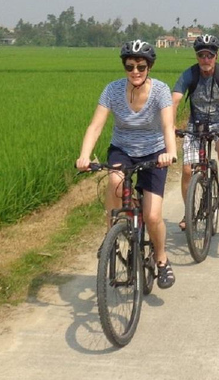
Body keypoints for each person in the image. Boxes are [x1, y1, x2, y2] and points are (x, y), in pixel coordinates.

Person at [76, 40, 177, 289]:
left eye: (141, 67)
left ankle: (162, 259)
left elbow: (167, 125)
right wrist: (84, 155)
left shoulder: (161, 90)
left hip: (154, 152)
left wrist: (171, 152)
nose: (135, 72)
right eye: (130, 66)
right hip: (122, 149)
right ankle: (111, 235)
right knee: (115, 182)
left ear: (149, 67)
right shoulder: (112, 90)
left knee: (153, 217)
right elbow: (96, 125)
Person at [172, 34, 219, 229]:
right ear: (197, 57)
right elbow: (175, 100)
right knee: (187, 170)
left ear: (216, 56)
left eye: (209, 56)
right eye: (201, 55)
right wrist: (169, 125)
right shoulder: (189, 74)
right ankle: (189, 212)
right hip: (196, 124)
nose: (205, 60)